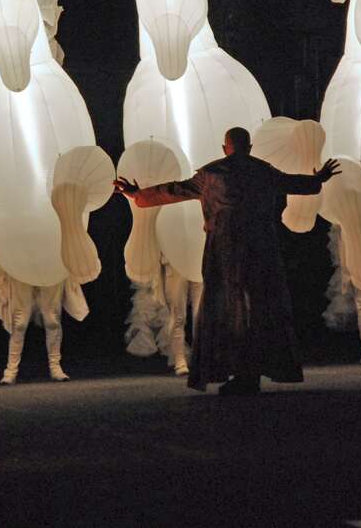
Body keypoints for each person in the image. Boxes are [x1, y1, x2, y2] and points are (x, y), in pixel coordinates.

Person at [114, 127, 340, 395]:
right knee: (257, 309)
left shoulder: (211, 175)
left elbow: (174, 190)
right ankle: (249, 373)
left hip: (225, 252)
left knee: (226, 310)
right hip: (260, 252)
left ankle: (240, 373)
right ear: (251, 146)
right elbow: (295, 184)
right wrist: (319, 179)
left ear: (225, 148)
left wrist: (137, 194)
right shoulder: (263, 171)